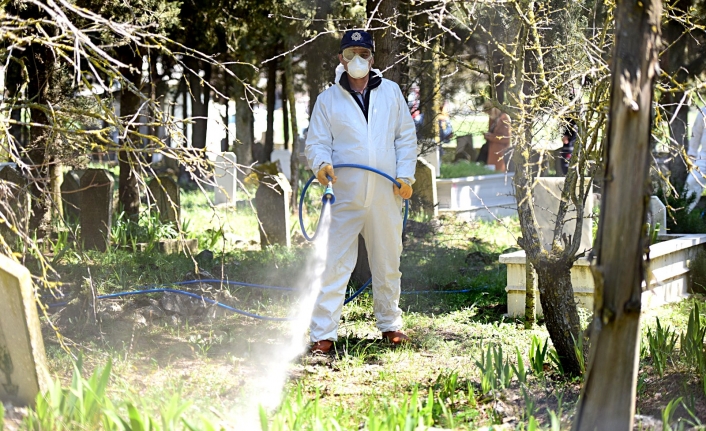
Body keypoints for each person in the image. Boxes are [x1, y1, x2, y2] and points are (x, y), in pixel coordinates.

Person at [305, 30, 418, 354]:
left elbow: (405, 139)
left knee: (387, 261)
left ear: (373, 57)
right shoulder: (328, 100)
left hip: (386, 192)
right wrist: (322, 164)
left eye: (364, 54)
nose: (358, 60)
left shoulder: (392, 93)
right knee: (334, 263)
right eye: (351, 53)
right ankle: (324, 334)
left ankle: (390, 325)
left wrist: (405, 176)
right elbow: (317, 142)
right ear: (341, 57)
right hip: (344, 193)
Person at [684, 106, 706, 212]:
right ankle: (683, 217)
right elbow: (696, 134)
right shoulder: (704, 110)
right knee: (692, 181)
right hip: (704, 156)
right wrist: (691, 157)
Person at [481, 102, 511, 172]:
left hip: (500, 152)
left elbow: (506, 138)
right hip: (492, 152)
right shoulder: (494, 119)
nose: (489, 115)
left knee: (499, 173)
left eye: (489, 113)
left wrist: (490, 137)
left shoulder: (504, 118)